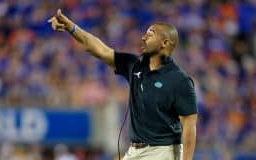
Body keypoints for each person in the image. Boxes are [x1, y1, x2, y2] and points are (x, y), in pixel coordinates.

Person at [48, 9, 198, 160]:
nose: (143, 37)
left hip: (162, 151)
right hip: (135, 151)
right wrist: (71, 28)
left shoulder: (180, 80)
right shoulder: (134, 65)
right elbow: (100, 50)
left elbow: (189, 126)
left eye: (150, 34)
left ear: (164, 43)